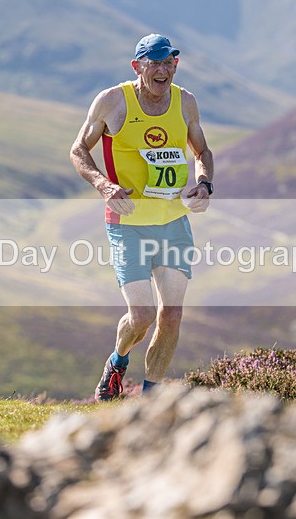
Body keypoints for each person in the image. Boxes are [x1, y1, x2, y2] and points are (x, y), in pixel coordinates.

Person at [69, 34, 214, 401]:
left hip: (173, 223)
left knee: (172, 315)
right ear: (137, 66)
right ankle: (117, 362)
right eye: (155, 63)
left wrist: (204, 183)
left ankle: (149, 399)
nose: (163, 70)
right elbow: (78, 150)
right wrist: (103, 184)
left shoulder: (186, 102)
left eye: (170, 63)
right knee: (143, 316)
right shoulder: (112, 101)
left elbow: (203, 150)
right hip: (128, 224)